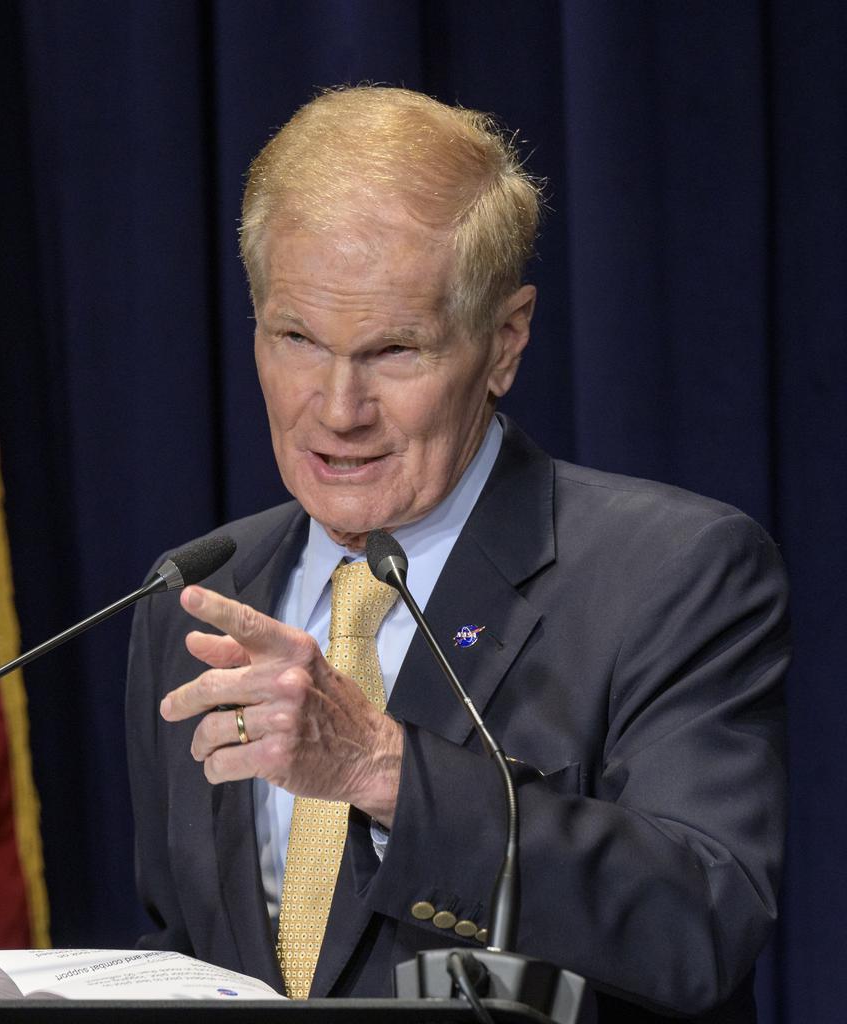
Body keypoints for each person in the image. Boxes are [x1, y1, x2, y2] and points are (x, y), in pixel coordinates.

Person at [125, 86, 788, 1022]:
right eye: (298, 338)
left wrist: (383, 771)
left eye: (394, 350)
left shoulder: (673, 574)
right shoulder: (197, 596)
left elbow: (702, 923)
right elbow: (193, 942)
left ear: (503, 342)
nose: (339, 407)